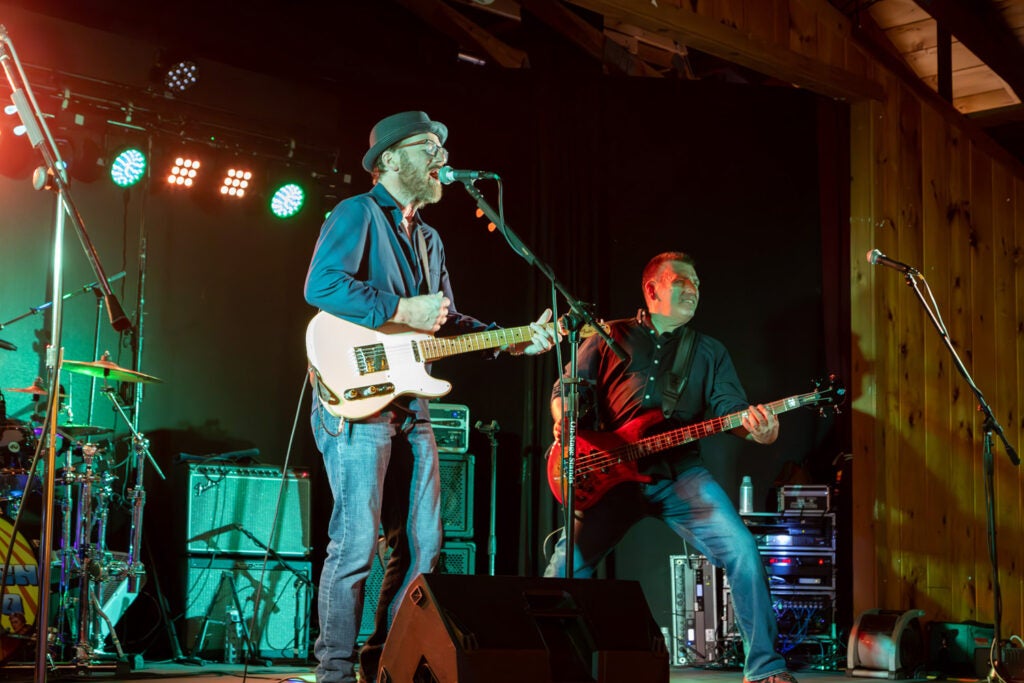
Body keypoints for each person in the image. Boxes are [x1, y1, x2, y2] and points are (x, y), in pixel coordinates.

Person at [304, 111, 558, 683]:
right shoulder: (357, 213)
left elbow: (444, 322)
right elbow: (320, 284)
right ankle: (334, 673)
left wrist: (513, 341)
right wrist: (398, 310)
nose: (442, 154)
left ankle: (383, 663)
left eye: (443, 144)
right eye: (429, 145)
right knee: (353, 547)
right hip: (356, 400)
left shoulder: (429, 237)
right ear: (390, 159)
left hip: (410, 405)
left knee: (424, 546)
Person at [543, 251, 796, 683]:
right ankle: (546, 664)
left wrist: (762, 431)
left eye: (697, 284)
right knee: (565, 568)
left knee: (743, 552)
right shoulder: (607, 336)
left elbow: (733, 414)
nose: (693, 289)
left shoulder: (709, 352)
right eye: (683, 280)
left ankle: (765, 669)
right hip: (610, 478)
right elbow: (566, 392)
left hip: (680, 476)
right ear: (652, 288)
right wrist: (566, 429)